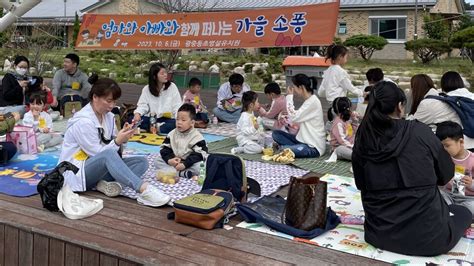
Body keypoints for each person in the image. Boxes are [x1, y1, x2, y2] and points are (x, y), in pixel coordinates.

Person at [352, 81, 471, 256]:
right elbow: (445, 174)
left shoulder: (363, 137)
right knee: (462, 212)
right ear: (400, 107)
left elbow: (360, 183)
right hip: (429, 239)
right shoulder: (420, 131)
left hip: (379, 233)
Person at [59, 76, 170, 207]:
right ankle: (144, 189)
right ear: (95, 97)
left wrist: (124, 138)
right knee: (108, 155)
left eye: (114, 101)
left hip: (97, 169)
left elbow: (113, 146)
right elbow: (99, 154)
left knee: (142, 162)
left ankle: (112, 185)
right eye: (108, 101)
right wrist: (117, 141)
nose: (112, 106)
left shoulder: (109, 117)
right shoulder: (83, 122)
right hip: (77, 171)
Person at [412, 71, 474, 151]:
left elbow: (414, 123)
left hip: (458, 149)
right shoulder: (472, 97)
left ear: (442, 85)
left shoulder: (434, 102)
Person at [272, 74, 325, 158]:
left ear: (301, 88)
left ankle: (284, 148)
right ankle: (287, 148)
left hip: (313, 146)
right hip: (302, 140)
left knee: (286, 149)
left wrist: (289, 97)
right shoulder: (310, 101)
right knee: (276, 134)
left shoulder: (313, 102)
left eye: (295, 87)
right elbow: (298, 115)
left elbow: (294, 117)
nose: (294, 90)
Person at [155, 103, 208, 179]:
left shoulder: (197, 137)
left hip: (189, 163)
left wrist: (185, 164)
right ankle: (181, 173)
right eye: (177, 119)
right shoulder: (172, 134)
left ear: (192, 123)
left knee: (202, 167)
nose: (179, 122)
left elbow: (199, 154)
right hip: (175, 161)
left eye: (183, 120)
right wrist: (170, 159)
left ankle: (176, 172)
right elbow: (165, 149)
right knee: (157, 161)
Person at [436, 121, 474, 218]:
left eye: (447, 145)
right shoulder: (443, 158)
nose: (444, 149)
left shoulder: (472, 160)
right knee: (436, 195)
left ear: (461, 142)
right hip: (448, 195)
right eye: (441, 146)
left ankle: (452, 212)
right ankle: (450, 211)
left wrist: (471, 183)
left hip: (468, 198)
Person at [133, 63, 182, 135]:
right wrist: (138, 114)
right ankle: (154, 128)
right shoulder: (147, 89)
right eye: (162, 73)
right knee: (132, 119)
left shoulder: (172, 87)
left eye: (165, 72)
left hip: (167, 120)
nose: (165, 75)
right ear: (154, 76)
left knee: (176, 124)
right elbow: (143, 105)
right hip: (151, 120)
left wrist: (179, 119)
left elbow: (177, 106)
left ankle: (156, 128)